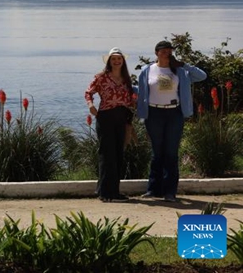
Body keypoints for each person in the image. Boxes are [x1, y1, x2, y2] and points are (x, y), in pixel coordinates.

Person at [137, 40, 207, 202]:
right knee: (157, 152)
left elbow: (202, 76)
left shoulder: (180, 71)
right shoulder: (147, 70)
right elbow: (141, 90)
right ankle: (153, 190)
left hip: (174, 113)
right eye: (163, 51)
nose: (166, 53)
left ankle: (170, 192)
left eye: (169, 51)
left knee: (171, 153)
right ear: (156, 52)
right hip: (154, 113)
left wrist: (184, 64)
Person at [85, 48, 135, 203]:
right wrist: (90, 105)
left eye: (119, 58)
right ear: (109, 61)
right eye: (113, 59)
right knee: (107, 155)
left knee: (118, 155)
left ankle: (112, 191)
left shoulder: (126, 79)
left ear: (123, 61)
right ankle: (107, 193)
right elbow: (88, 92)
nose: (116, 61)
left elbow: (131, 97)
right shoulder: (101, 77)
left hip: (122, 116)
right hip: (106, 117)